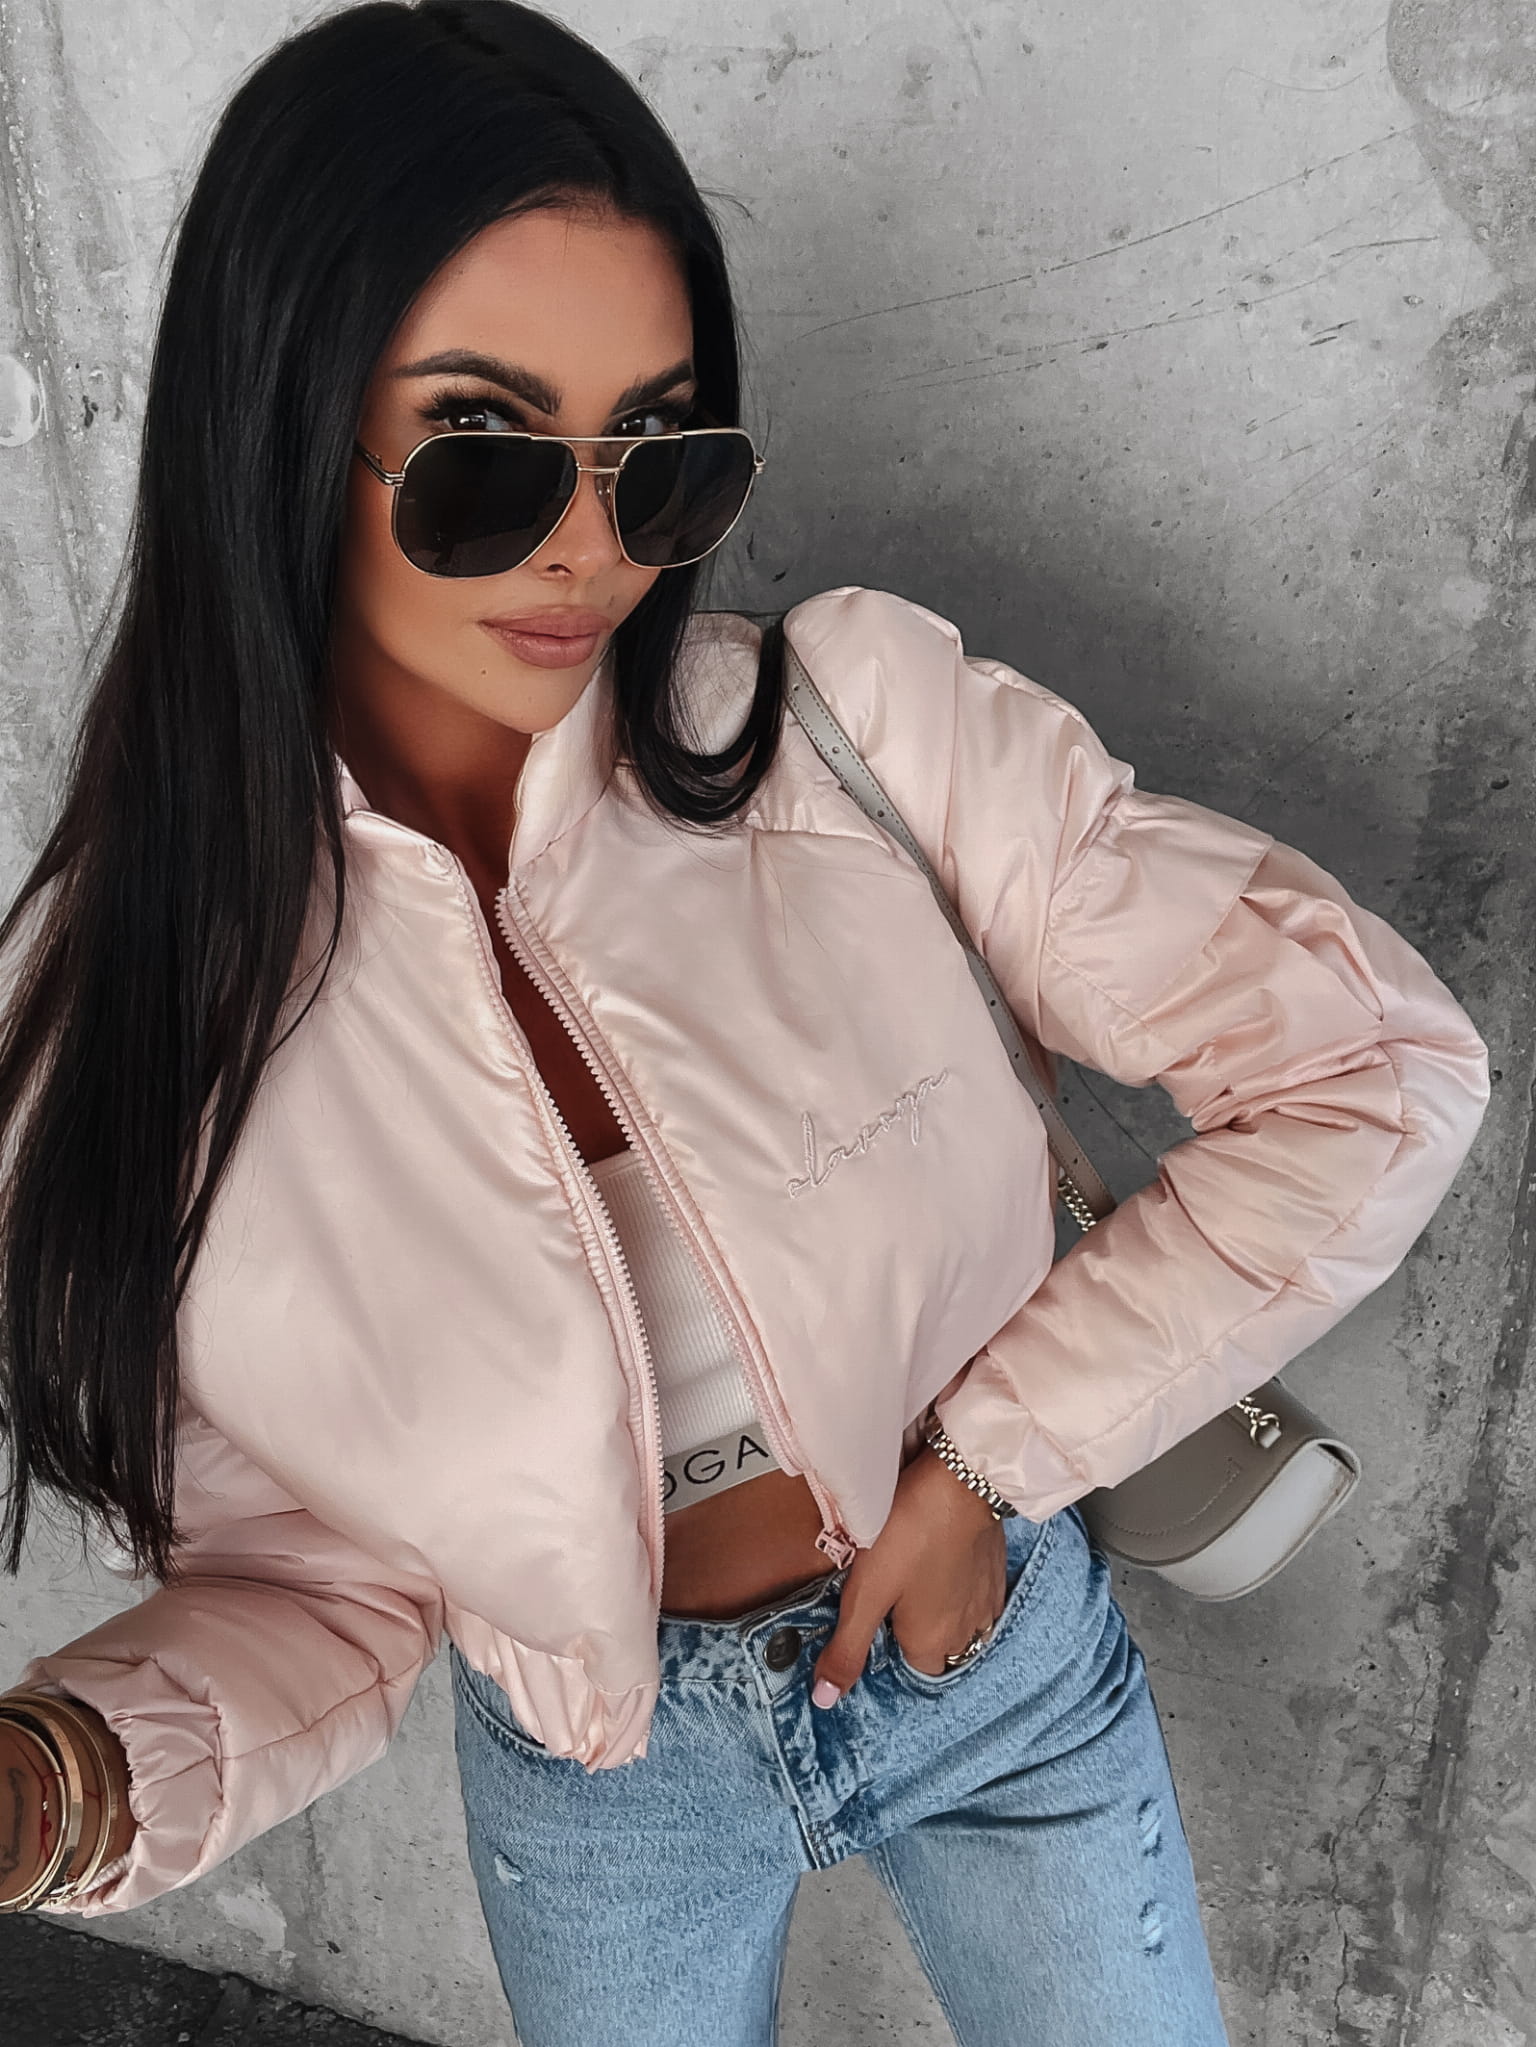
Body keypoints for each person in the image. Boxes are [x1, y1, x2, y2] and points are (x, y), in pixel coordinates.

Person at [0, 5, 1489, 2043]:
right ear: (275, 429)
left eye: (663, 455)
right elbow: (316, 1585)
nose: (589, 546)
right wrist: (68, 1778)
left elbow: (1371, 1064)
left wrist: (987, 1467)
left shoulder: (849, 736)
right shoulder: (152, 1009)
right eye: (485, 456)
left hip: (992, 1653)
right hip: (609, 1788)